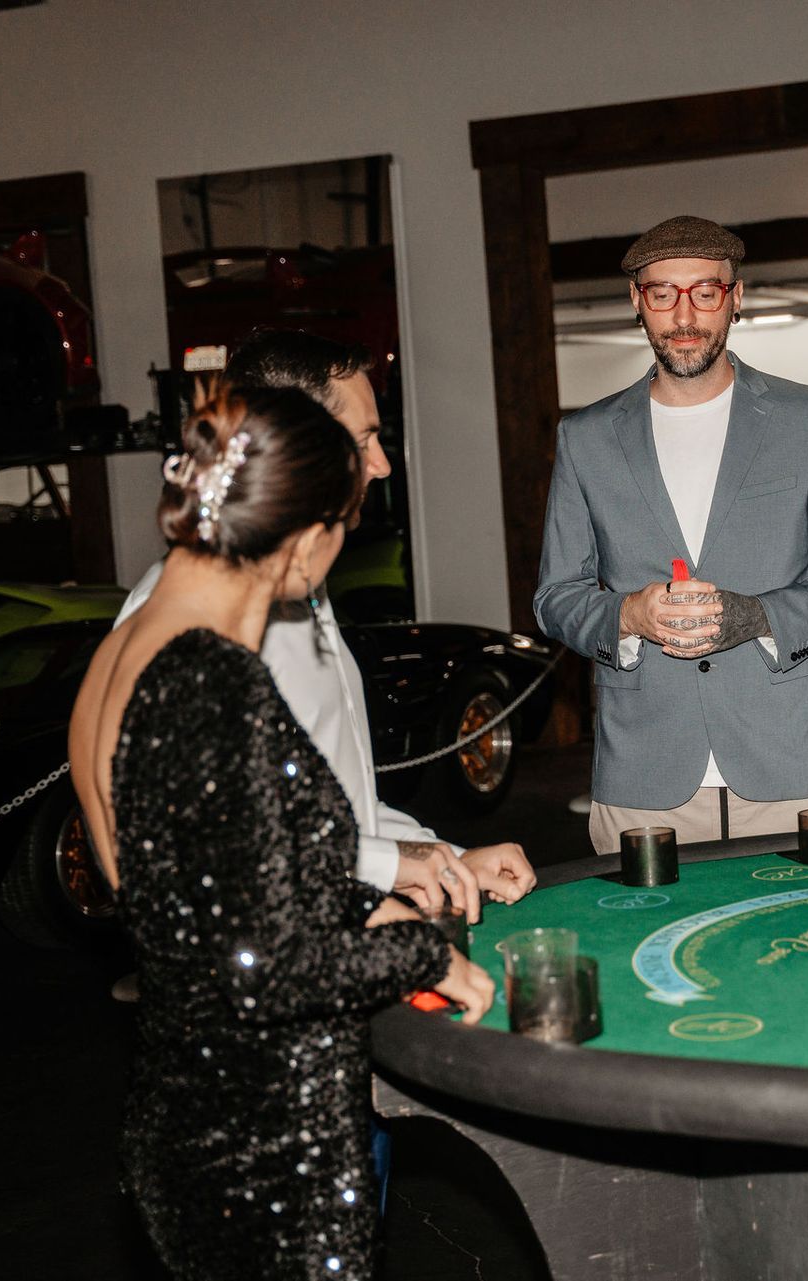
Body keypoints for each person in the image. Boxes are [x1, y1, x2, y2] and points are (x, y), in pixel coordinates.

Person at [68, 385, 495, 1280]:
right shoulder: (212, 683)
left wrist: (367, 904)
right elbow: (261, 970)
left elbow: (201, 889)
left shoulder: (124, 649)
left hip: (185, 1107)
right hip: (266, 1143)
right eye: (346, 525)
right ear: (306, 540)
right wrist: (422, 954)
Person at [118, 329, 535, 917]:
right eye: (364, 438)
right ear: (299, 438)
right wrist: (396, 869)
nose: (383, 464)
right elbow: (214, 846)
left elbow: (343, 804)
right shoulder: (182, 619)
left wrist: (445, 857)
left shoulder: (299, 584)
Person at [535, 215, 808, 852]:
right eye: (663, 293)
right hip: (641, 770)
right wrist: (629, 616)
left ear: (736, 298)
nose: (685, 314)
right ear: (637, 303)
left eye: (705, 291)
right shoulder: (584, 438)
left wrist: (757, 616)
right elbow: (555, 596)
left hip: (787, 764)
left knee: (802, 941)